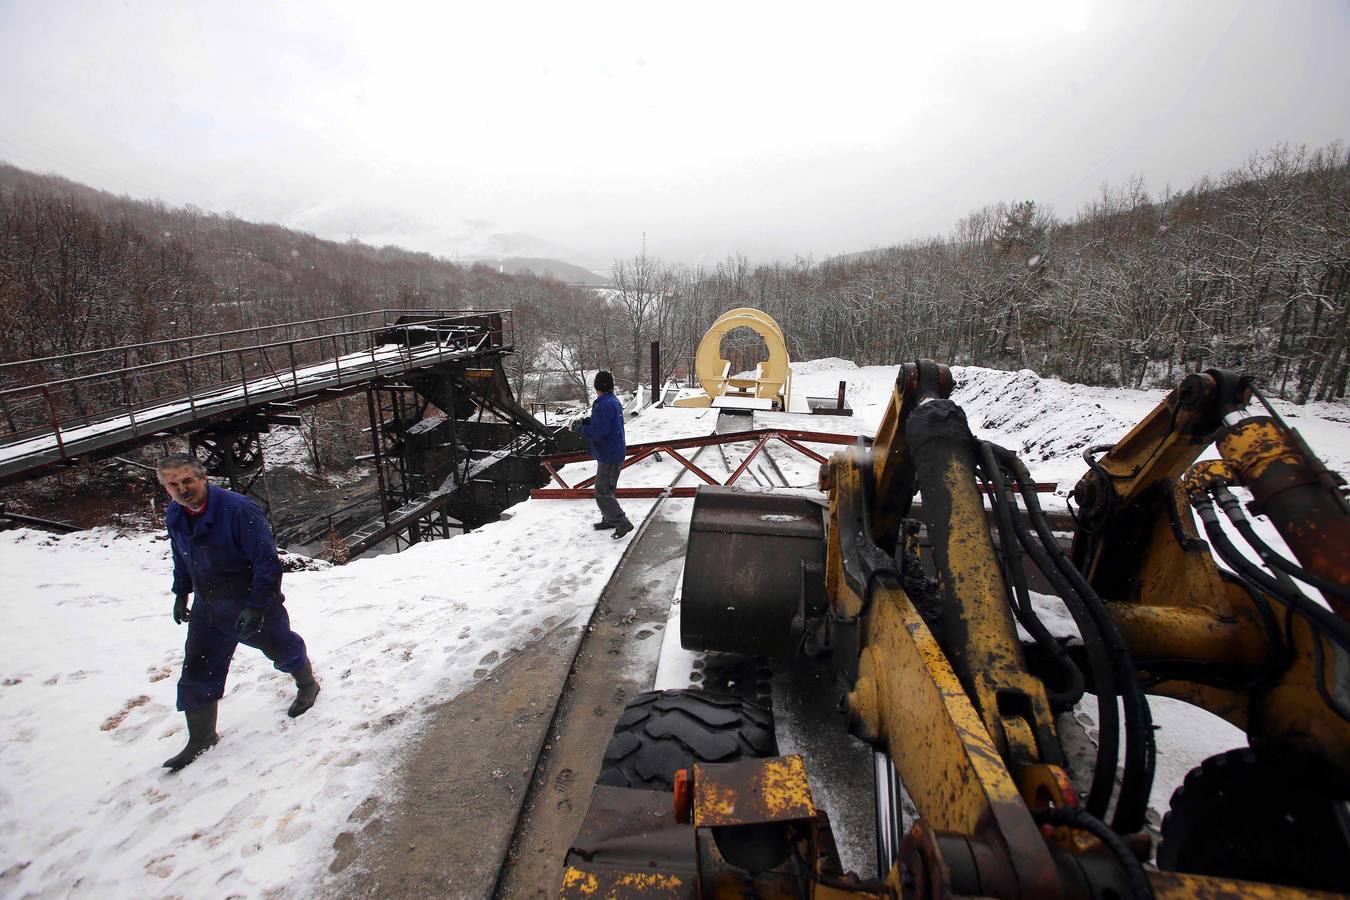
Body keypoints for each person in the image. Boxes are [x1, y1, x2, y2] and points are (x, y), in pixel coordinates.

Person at [156, 454, 319, 772]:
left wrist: (257, 606)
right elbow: (181, 554)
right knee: (197, 668)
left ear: (203, 478)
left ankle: (307, 683)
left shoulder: (239, 510)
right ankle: (201, 738)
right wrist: (181, 592)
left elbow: (266, 562)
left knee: (282, 648)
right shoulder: (175, 513)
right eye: (173, 484)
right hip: (207, 605)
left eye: (188, 481)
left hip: (248, 599)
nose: (182, 489)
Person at [575, 371, 634, 539]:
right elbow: (602, 423)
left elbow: (598, 432)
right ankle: (609, 519)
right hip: (613, 451)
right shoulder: (611, 401)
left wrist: (579, 428)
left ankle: (622, 522)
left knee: (602, 491)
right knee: (608, 489)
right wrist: (586, 421)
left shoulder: (605, 404)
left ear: (598, 387)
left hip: (609, 454)